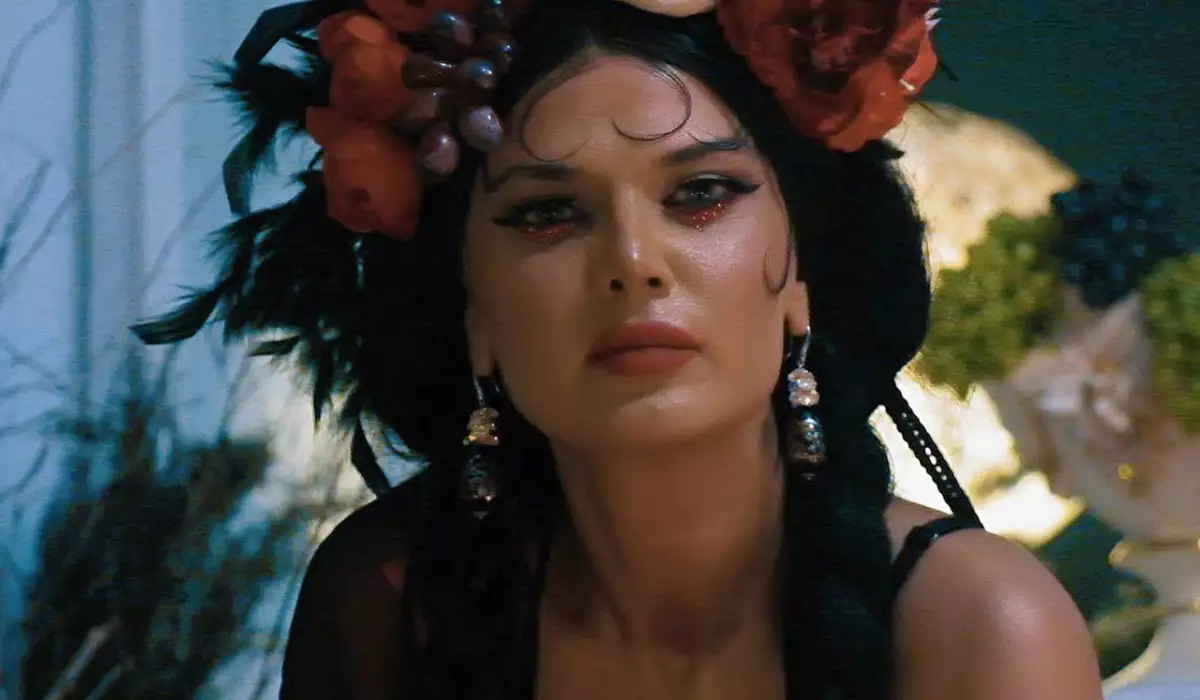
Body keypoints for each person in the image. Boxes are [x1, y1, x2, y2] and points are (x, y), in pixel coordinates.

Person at [136, 0, 1105, 697]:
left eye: (701, 195)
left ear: (802, 275)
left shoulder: (983, 626)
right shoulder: (384, 600)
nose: (634, 264)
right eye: (548, 213)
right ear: (472, 309)